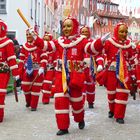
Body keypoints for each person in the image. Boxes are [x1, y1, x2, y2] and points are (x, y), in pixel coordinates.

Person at [30, 16, 109, 135]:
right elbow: (46, 46)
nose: (66, 28)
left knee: (77, 102)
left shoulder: (81, 40)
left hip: (76, 76)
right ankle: (63, 127)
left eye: (69, 26)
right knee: (60, 100)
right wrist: (35, 37)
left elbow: (90, 49)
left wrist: (100, 42)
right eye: (64, 26)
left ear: (75, 27)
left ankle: (79, 118)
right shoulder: (59, 41)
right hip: (60, 75)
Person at [96, 22, 135, 124]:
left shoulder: (129, 44)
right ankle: (112, 110)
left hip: (125, 73)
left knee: (122, 94)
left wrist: (133, 74)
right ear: (117, 32)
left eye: (125, 32)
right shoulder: (110, 42)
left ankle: (120, 116)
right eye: (121, 32)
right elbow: (100, 53)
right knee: (112, 94)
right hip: (111, 73)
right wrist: (100, 63)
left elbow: (131, 59)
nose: (124, 34)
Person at [18, 29, 47, 111]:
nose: (28, 36)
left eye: (29, 34)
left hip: (37, 70)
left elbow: (44, 58)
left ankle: (34, 105)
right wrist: (19, 71)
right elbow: (21, 59)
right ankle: (28, 101)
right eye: (27, 35)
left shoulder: (39, 46)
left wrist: (42, 67)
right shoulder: (24, 46)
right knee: (25, 87)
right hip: (27, 69)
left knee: (36, 88)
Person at [80, 25, 104, 108]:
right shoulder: (78, 42)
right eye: (82, 32)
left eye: (86, 32)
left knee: (91, 86)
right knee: (81, 86)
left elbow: (98, 55)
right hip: (81, 68)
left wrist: (100, 64)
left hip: (90, 69)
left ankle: (90, 102)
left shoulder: (92, 43)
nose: (84, 33)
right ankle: (80, 103)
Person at [0, 19, 19, 122]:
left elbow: (12, 58)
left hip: (2, 71)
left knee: (0, 93)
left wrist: (15, 73)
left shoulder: (8, 42)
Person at [41, 32, 55, 104]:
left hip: (50, 67)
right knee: (41, 83)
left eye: (47, 40)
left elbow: (55, 59)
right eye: (44, 40)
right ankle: (46, 94)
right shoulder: (41, 49)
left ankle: (46, 99)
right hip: (41, 67)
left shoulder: (53, 50)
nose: (45, 41)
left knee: (47, 82)